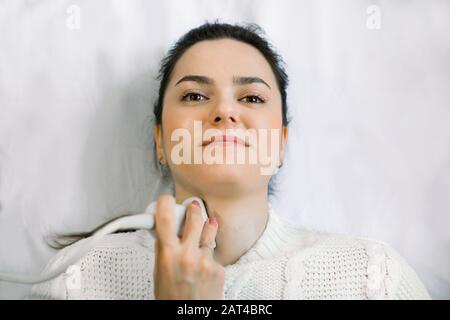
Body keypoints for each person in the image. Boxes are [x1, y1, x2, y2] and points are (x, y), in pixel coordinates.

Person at [29, 22, 431, 300]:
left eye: (252, 98)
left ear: (280, 145)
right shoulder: (75, 279)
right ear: (160, 142)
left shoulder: (373, 276)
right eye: (194, 96)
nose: (224, 111)